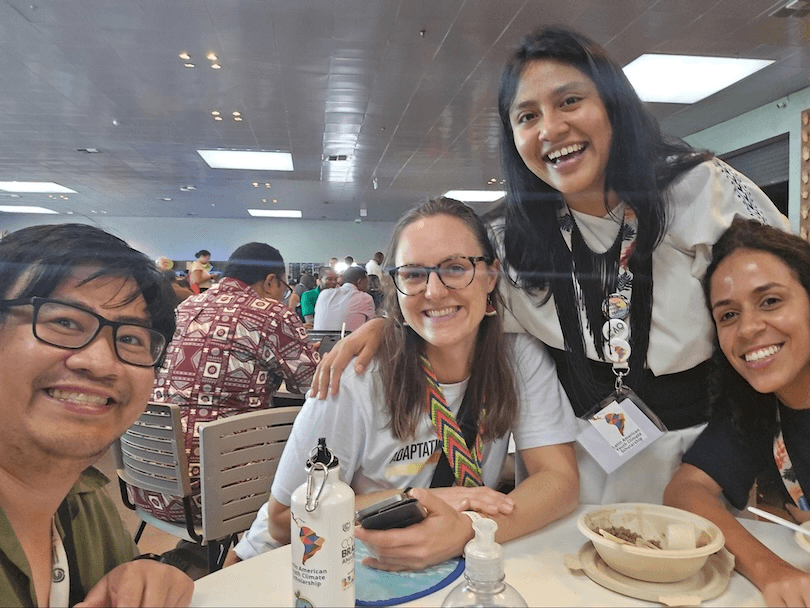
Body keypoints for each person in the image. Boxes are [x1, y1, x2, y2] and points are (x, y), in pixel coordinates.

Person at [311, 26, 788, 505]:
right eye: (527, 116)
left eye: (570, 101)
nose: (550, 129)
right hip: (571, 466)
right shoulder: (509, 240)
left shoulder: (698, 193)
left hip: (702, 458)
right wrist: (391, 327)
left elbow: (789, 297)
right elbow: (452, 305)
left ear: (613, 107)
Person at [234, 197, 579, 569]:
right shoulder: (356, 376)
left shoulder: (518, 358)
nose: (434, 291)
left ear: (491, 275)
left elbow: (558, 479)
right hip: (300, 567)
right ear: (395, 285)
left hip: (433, 566)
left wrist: (467, 529)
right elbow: (284, 520)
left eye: (455, 268)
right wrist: (430, 499)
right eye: (414, 274)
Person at [0, 223, 193, 607]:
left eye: (131, 339)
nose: (102, 363)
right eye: (65, 322)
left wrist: (145, 571)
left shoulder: (82, 497)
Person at [665, 219, 810, 607]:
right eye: (728, 314)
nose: (748, 329)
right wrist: (770, 569)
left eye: (771, 301)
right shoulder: (758, 409)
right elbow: (685, 491)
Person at [139, 242, 320, 524]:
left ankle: (197, 554)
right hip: (218, 492)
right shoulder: (273, 314)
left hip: (147, 480)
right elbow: (311, 385)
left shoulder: (186, 307)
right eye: (284, 286)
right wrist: (309, 356)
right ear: (271, 281)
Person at [313, 265, 376, 332]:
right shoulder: (365, 298)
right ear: (359, 282)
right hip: (349, 341)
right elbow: (371, 327)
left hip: (318, 341)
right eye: (367, 282)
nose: (368, 286)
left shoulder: (323, 294)